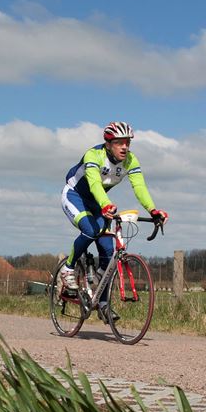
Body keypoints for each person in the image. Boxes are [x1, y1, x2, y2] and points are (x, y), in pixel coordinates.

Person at [58, 122, 167, 298]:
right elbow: (94, 183)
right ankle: (68, 268)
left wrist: (153, 210)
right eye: (119, 143)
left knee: (108, 252)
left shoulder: (131, 161)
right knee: (91, 230)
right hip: (75, 196)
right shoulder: (94, 155)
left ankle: (101, 303)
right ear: (108, 144)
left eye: (127, 143)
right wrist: (106, 204)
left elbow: (139, 187)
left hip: (98, 204)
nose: (124, 147)